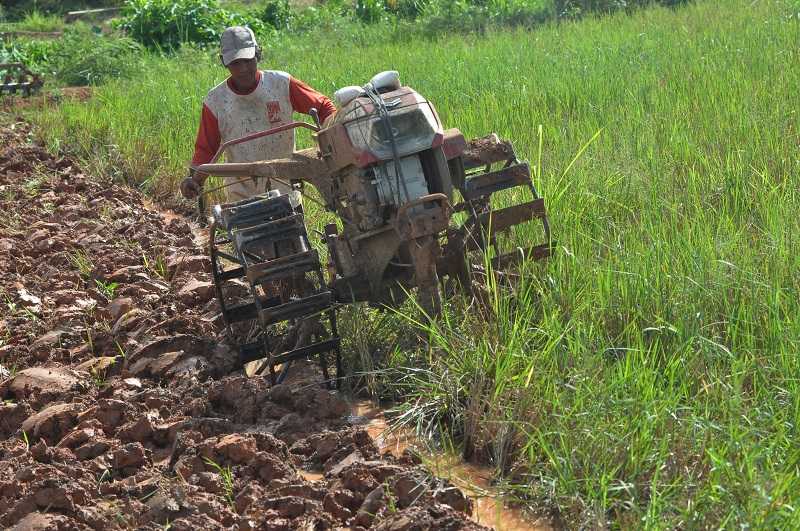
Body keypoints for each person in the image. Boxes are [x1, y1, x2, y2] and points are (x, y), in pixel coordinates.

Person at [180, 26, 336, 203]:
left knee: (294, 229)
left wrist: (336, 138)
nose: (243, 69)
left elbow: (323, 107)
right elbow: (206, 150)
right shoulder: (216, 101)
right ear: (224, 61)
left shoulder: (281, 83)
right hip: (242, 193)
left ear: (258, 54)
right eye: (235, 63)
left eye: (248, 60)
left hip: (285, 187)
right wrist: (195, 180)